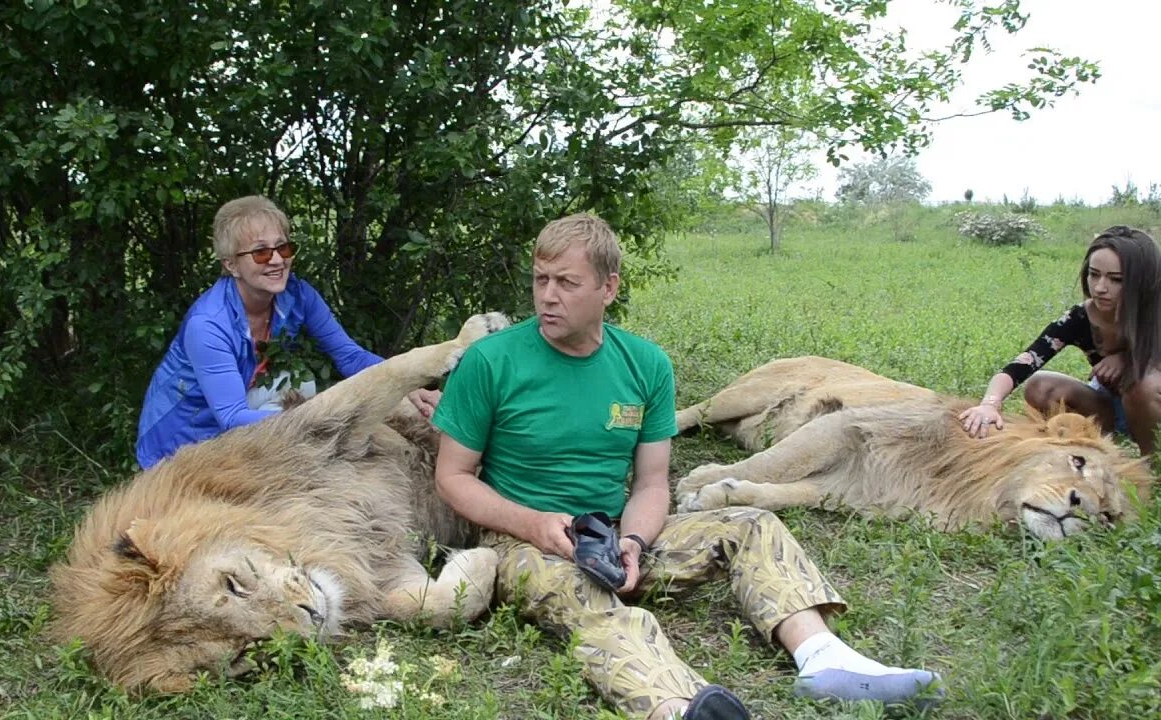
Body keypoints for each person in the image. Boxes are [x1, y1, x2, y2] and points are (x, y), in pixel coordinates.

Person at [432, 214, 940, 720]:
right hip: (519, 540)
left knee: (753, 524)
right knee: (583, 596)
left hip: (610, 535)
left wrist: (632, 543)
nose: (547, 296)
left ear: (608, 288)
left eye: (567, 282)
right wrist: (533, 525)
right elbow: (453, 477)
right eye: (541, 280)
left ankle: (823, 659)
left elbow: (653, 482)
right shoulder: (492, 362)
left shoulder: (646, 364)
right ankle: (674, 709)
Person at [136, 195, 439, 469]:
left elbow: (349, 355)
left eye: (283, 247)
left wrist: (405, 381)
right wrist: (324, 415)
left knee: (300, 389)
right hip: (181, 440)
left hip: (234, 408)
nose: (278, 260)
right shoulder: (209, 325)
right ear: (231, 265)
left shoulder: (298, 296)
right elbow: (231, 418)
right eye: (261, 253)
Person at [960, 226, 1161, 454]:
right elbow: (1021, 365)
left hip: (1151, 405)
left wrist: (1128, 359)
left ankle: (1153, 463)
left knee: (1144, 385)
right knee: (1040, 385)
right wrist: (989, 404)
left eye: (1116, 279)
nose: (1100, 287)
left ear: (1142, 283)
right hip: (1109, 405)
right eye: (1094, 274)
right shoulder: (1079, 318)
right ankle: (1099, 449)